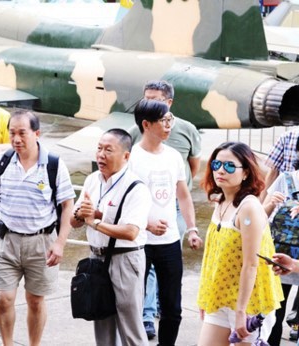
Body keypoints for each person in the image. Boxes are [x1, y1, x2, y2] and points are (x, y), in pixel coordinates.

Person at [0, 110, 75, 346]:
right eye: (12, 133)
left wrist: (60, 242)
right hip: (7, 241)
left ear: (37, 133)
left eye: (22, 133)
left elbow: (67, 205)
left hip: (42, 243)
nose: (16, 139)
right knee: (4, 299)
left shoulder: (53, 164)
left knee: (35, 300)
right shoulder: (2, 161)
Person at [128, 80, 202, 339]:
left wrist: (191, 229)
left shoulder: (172, 156)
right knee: (133, 303)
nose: (169, 125)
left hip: (170, 241)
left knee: (173, 306)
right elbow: (123, 203)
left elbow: (182, 194)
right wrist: (146, 224)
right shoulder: (131, 158)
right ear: (146, 124)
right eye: (163, 121)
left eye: (170, 120)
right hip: (138, 241)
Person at [197, 142, 284, 345]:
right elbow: (212, 255)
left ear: (245, 173)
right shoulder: (221, 202)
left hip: (250, 303)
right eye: (216, 164)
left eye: (229, 166)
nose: (220, 170)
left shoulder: (249, 208)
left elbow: (251, 263)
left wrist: (241, 312)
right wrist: (205, 295)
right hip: (220, 297)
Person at [70, 128, 151, 345]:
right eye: (99, 148)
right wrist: (81, 213)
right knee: (102, 324)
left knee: (130, 328)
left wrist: (94, 222)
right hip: (96, 260)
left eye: (108, 150)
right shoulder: (92, 180)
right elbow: (74, 221)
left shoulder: (136, 187)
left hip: (125, 260)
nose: (101, 155)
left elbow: (131, 231)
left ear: (126, 156)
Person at [263, 136, 299, 346]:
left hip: (283, 254)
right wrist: (269, 204)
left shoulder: (286, 179)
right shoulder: (286, 179)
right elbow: (262, 214)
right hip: (282, 255)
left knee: (279, 307)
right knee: (275, 308)